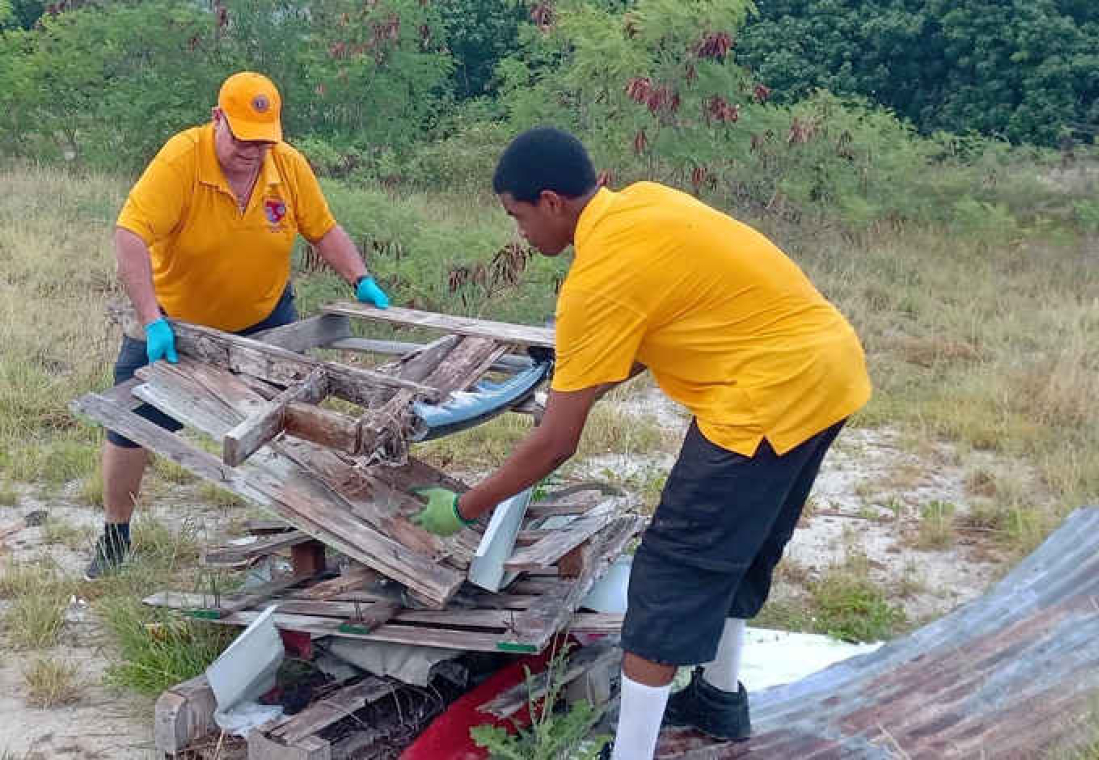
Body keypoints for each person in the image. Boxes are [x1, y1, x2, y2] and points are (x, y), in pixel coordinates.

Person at [411, 127, 872, 758]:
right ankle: (717, 700)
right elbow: (641, 340)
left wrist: (464, 507)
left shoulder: (597, 277)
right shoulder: (644, 203)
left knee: (669, 574)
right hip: (830, 369)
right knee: (741, 547)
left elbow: (555, 445)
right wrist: (579, 381)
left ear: (551, 202)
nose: (518, 231)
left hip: (764, 396)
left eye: (516, 215)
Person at [85, 71, 391, 580]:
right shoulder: (183, 161)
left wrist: (361, 278)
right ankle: (116, 533)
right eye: (243, 138)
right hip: (175, 328)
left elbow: (322, 228)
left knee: (293, 419)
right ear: (217, 118)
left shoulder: (286, 166)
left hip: (266, 318)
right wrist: (151, 319)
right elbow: (130, 235)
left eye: (263, 140)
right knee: (129, 426)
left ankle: (305, 523)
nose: (253, 150)